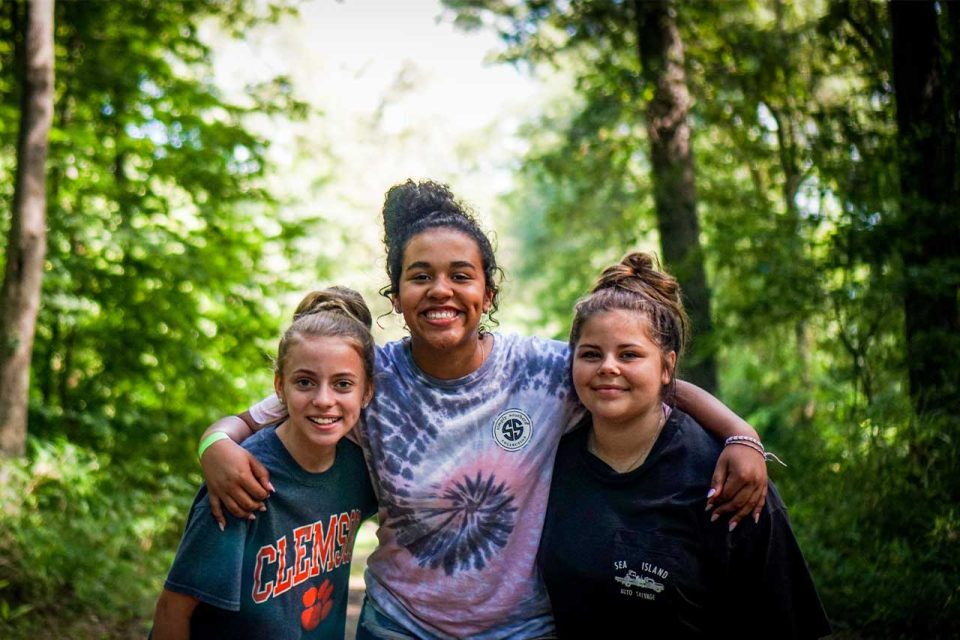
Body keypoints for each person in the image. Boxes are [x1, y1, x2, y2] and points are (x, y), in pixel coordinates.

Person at [198, 180, 770, 639]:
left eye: (460, 275)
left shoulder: (545, 373)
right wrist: (216, 444)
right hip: (398, 622)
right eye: (420, 276)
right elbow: (257, 418)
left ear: (488, 294)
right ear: (395, 297)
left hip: (521, 627)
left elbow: (650, 382)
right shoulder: (365, 379)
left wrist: (740, 436)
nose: (440, 289)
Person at [538, 252, 831, 638]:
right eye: (591, 354)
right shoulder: (548, 460)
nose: (608, 366)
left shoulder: (729, 483)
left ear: (666, 367)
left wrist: (742, 437)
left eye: (629, 354)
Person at [152, 287, 379, 640]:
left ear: (367, 391)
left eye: (342, 384)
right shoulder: (242, 478)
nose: (323, 400)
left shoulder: (358, 468)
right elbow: (173, 609)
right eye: (304, 382)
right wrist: (214, 442)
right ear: (280, 386)